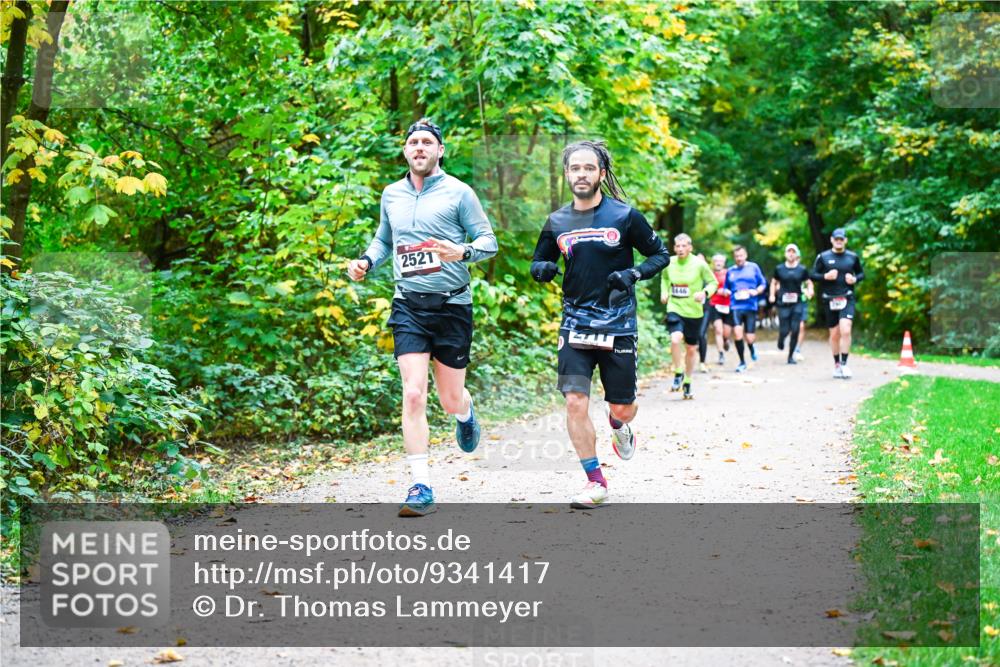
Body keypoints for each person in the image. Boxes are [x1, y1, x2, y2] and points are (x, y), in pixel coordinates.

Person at [348, 118, 498, 517]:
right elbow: (384, 239)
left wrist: (462, 251)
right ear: (405, 151)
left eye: (427, 142)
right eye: (413, 142)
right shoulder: (392, 194)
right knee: (413, 393)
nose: (419, 148)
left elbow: (489, 242)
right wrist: (367, 260)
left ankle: (465, 414)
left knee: (449, 400)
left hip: (452, 306)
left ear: (439, 150)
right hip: (409, 304)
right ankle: (420, 485)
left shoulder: (459, 193)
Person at [531, 140, 669, 509]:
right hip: (574, 322)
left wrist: (634, 272)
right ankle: (595, 481)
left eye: (588, 168)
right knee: (575, 401)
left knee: (622, 407)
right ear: (566, 174)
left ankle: (619, 425)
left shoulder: (625, 216)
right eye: (575, 168)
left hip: (618, 323)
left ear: (601, 174)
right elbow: (539, 261)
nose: (581, 174)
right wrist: (540, 270)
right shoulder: (556, 221)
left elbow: (660, 254)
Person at [660, 235, 716, 399]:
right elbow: (664, 279)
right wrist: (664, 293)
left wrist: (704, 293)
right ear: (674, 248)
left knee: (691, 349)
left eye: (684, 246)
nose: (680, 249)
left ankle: (688, 381)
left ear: (690, 248)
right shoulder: (669, 262)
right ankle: (678, 372)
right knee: (675, 339)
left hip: (694, 312)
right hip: (675, 307)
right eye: (678, 246)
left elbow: (713, 283)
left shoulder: (699, 264)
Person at [810, 227, 864, 379]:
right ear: (832, 240)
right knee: (834, 335)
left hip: (847, 297)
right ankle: (837, 365)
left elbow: (861, 273)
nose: (839, 242)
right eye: (836, 239)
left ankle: (845, 364)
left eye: (841, 239)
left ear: (845, 240)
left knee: (846, 329)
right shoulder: (823, 257)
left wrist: (854, 279)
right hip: (830, 299)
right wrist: (825, 276)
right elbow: (813, 275)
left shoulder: (852, 257)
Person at [722, 246, 767, 373]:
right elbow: (726, 287)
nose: (739, 258)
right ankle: (742, 362)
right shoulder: (730, 271)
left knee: (750, 337)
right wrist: (726, 291)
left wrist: (756, 291)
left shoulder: (753, 267)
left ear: (745, 255)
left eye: (741, 256)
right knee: (737, 333)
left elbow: (763, 283)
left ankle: (752, 347)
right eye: (736, 256)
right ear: (734, 258)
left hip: (750, 306)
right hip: (735, 306)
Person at [770, 243, 814, 364]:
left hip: (797, 303)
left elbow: (809, 282)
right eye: (789, 251)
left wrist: (810, 291)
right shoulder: (779, 269)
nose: (791, 254)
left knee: (795, 329)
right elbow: (773, 282)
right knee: (784, 329)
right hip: (783, 303)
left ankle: (790, 356)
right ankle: (781, 338)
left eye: (793, 252)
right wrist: (772, 295)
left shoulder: (802, 269)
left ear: (796, 254)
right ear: (785, 254)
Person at [705, 253, 733, 366]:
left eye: (720, 261)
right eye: (716, 260)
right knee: (718, 330)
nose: (718, 263)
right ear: (713, 262)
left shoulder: (729, 273)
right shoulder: (709, 274)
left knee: (726, 333)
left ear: (724, 262)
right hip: (714, 305)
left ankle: (726, 340)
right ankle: (721, 354)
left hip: (727, 305)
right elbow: (705, 288)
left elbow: (734, 285)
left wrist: (729, 291)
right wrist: (717, 291)